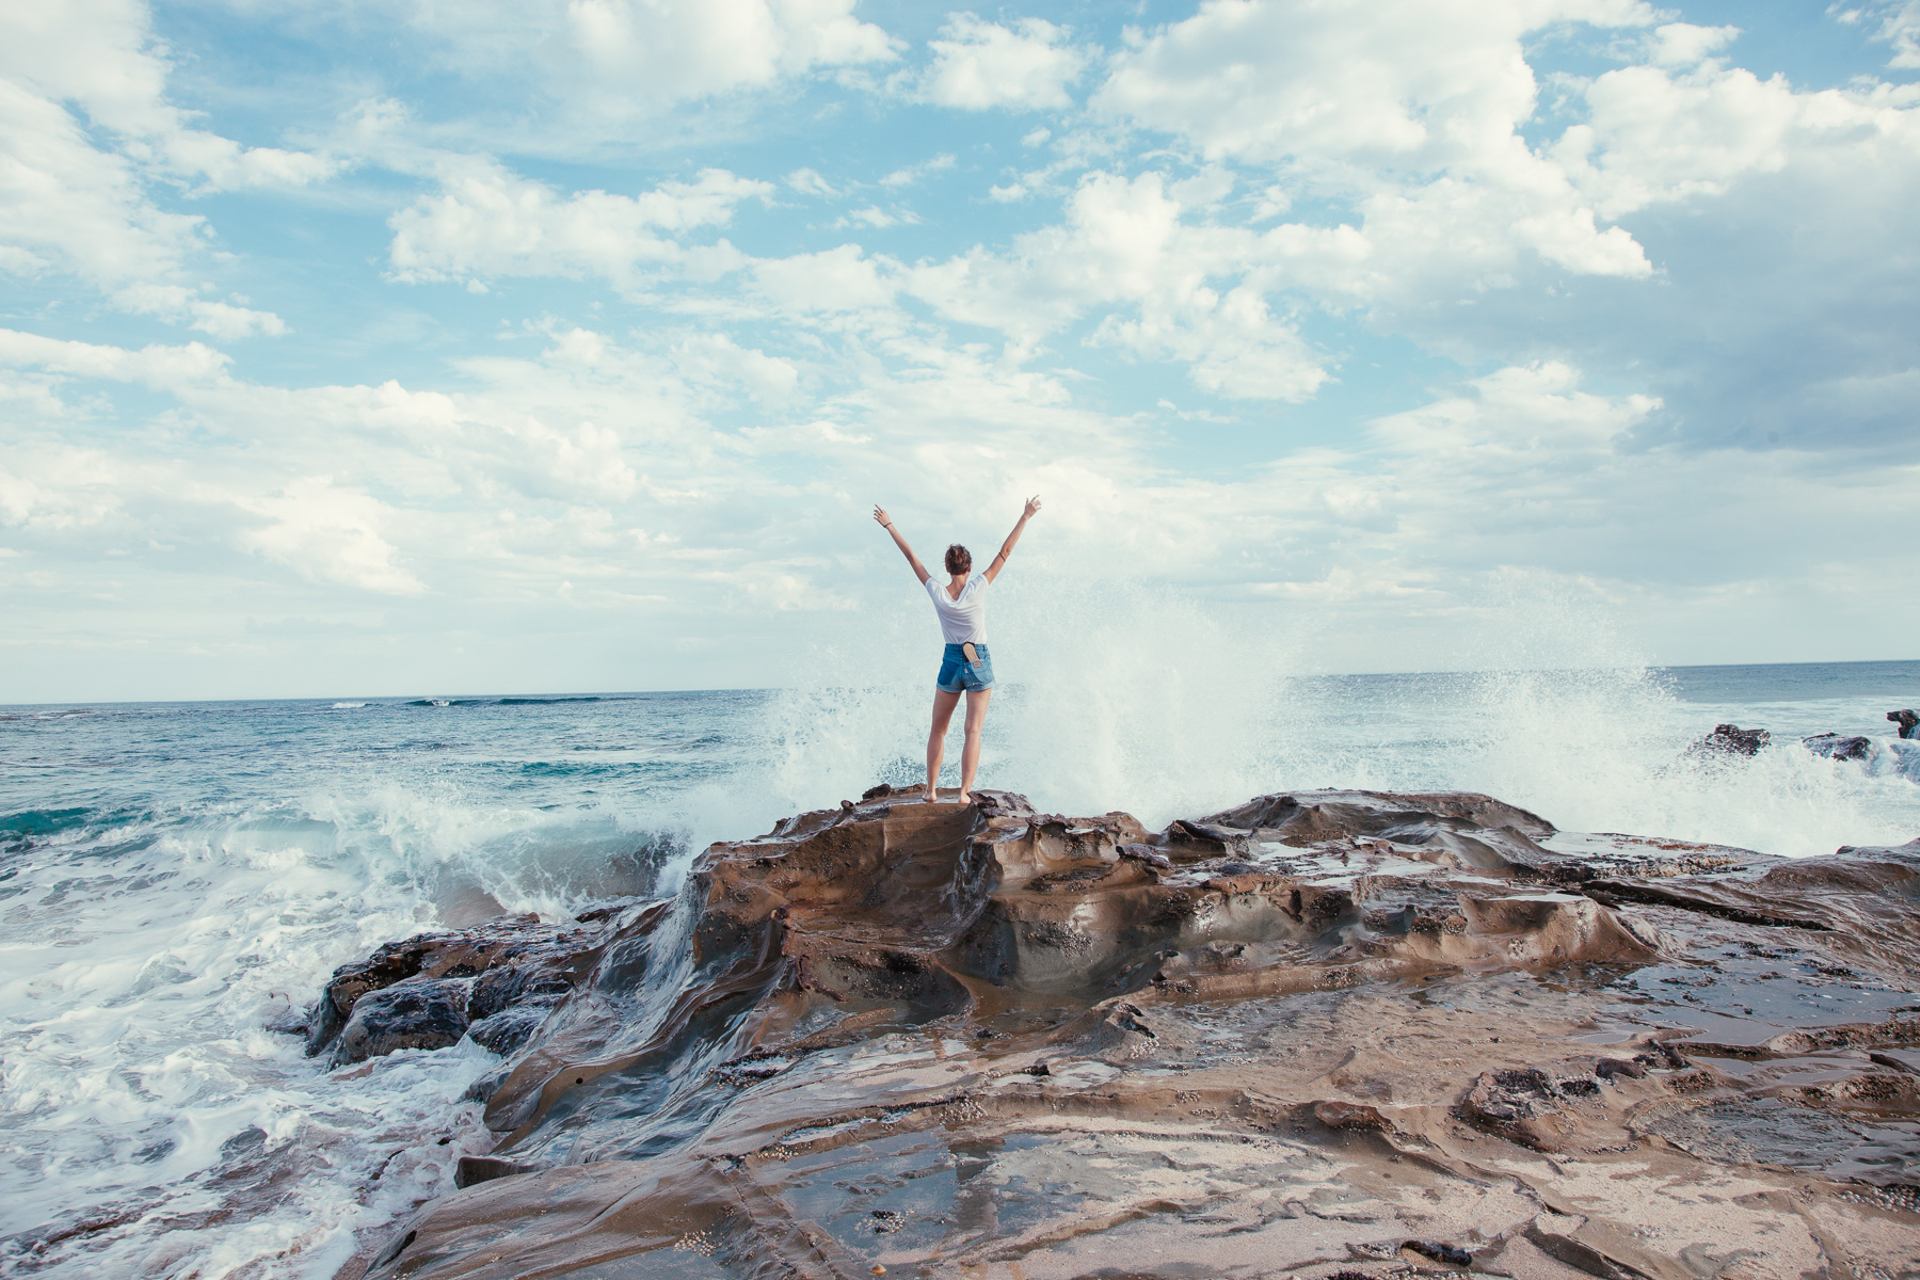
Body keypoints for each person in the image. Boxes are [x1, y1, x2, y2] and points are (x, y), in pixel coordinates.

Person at [872, 496, 1042, 804]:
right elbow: (1004, 553)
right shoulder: (979, 587)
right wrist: (1025, 516)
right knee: (973, 731)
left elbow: (913, 559)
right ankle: (964, 793)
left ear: (948, 568)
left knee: (938, 730)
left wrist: (889, 526)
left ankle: (931, 791)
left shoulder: (938, 592)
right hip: (978, 658)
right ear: (969, 566)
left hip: (951, 660)